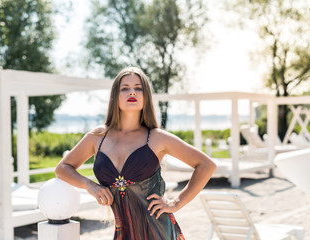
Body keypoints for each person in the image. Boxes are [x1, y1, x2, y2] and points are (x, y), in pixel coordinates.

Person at [55, 66, 217, 240]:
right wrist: (89, 185)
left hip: (159, 232)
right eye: (124, 88)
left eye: (138, 88)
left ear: (145, 97)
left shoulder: (156, 138)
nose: (132, 92)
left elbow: (206, 165)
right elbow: (63, 168)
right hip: (124, 233)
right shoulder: (98, 137)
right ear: (115, 97)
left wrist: (176, 202)